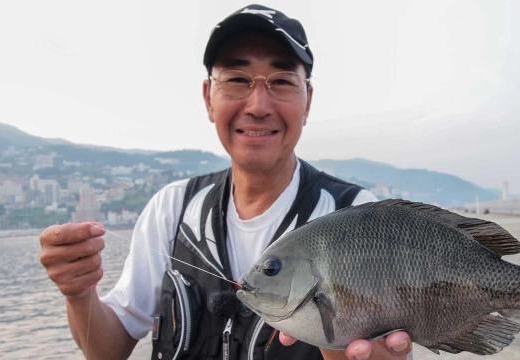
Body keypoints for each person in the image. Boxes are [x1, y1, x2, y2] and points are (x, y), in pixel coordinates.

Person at [39, 4, 413, 360]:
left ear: (308, 100)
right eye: (237, 79)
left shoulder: (358, 215)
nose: (258, 105)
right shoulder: (172, 208)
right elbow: (106, 351)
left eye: (282, 81)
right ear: (208, 98)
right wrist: (79, 293)